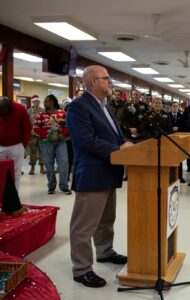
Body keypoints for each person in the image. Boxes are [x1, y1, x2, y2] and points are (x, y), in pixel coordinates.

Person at [67, 65, 133, 288]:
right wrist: (117, 150)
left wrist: (124, 142)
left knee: (106, 220)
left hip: (108, 172)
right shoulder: (78, 107)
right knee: (84, 226)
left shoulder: (104, 107)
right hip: (93, 173)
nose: (110, 82)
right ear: (92, 82)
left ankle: (104, 252)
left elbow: (114, 134)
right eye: (106, 79)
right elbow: (85, 140)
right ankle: (82, 269)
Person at [33, 94, 71, 195]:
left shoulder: (62, 113)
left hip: (60, 141)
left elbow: (68, 126)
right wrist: (47, 135)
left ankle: (64, 186)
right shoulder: (41, 115)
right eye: (44, 102)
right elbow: (36, 127)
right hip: (46, 142)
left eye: (47, 101)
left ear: (53, 102)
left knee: (63, 163)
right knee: (49, 165)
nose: (45, 103)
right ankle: (51, 186)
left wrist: (60, 136)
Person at [0, 96, 32, 190]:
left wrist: (24, 143)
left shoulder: (19, 108)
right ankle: (1, 197)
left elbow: (27, 126)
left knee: (15, 173)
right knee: (1, 173)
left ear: (9, 106)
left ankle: (14, 198)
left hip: (16, 146)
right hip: (0, 146)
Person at [27, 95, 45, 175]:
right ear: (32, 102)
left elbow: (46, 122)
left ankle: (42, 167)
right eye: (35, 102)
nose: (36, 103)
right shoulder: (29, 111)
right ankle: (32, 167)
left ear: (39, 102)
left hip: (41, 134)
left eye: (38, 101)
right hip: (32, 134)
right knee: (32, 151)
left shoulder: (43, 111)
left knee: (42, 151)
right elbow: (27, 123)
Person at [171, 101, 186, 183]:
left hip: (179, 139)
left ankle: (180, 176)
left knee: (179, 159)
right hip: (170, 139)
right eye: (174, 106)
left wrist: (178, 128)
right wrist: (172, 129)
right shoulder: (167, 116)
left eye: (177, 106)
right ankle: (172, 176)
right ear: (171, 107)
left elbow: (183, 126)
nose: (175, 108)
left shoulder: (181, 116)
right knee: (171, 159)